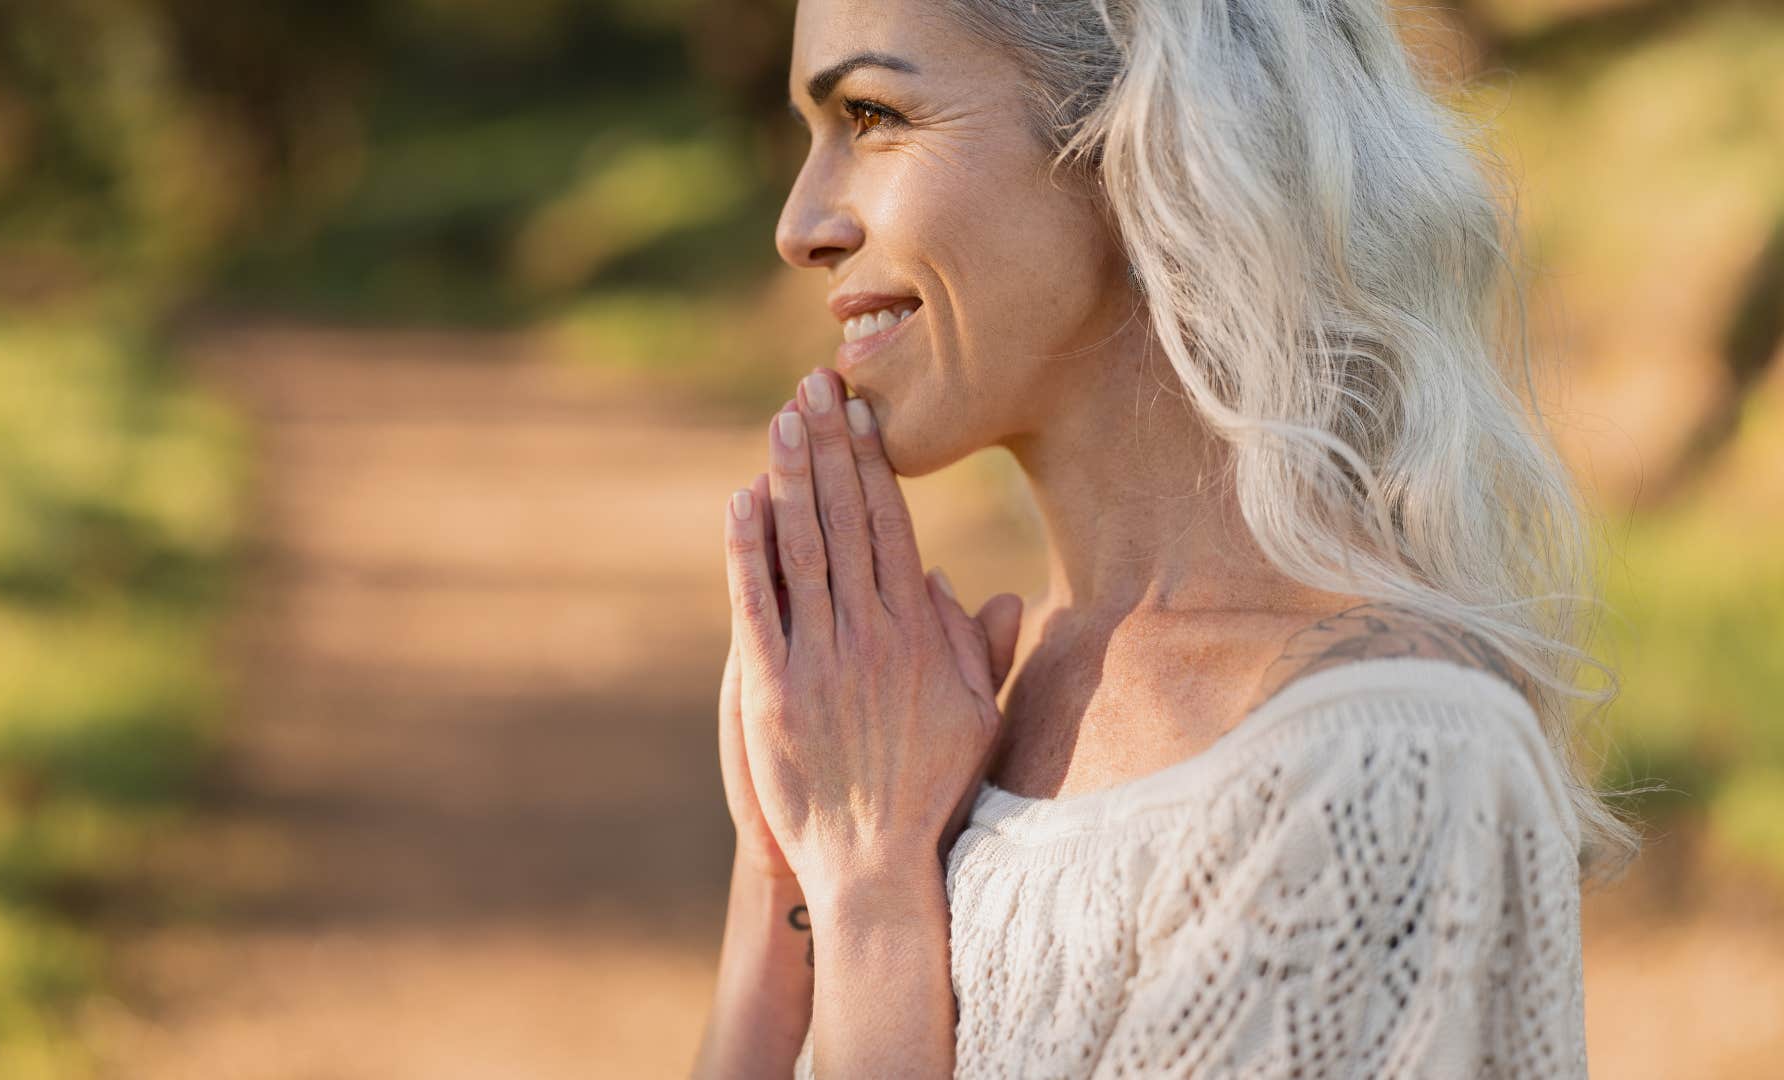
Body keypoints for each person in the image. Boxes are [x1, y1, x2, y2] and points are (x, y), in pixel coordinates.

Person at [692, 0, 1637, 1076]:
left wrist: (872, 904)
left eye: (872, 114)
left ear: (1145, 144)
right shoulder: (931, 701)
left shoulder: (1378, 758)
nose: (799, 225)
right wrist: (787, 869)